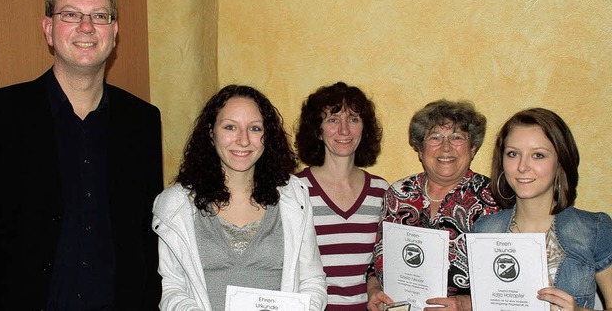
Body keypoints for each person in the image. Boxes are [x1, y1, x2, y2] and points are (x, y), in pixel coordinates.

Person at [0, 0, 163, 310]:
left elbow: (145, 240)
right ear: (48, 29)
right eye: (71, 14)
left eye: (100, 16)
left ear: (114, 31)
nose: (87, 27)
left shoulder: (143, 121)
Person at [152, 85, 327, 311]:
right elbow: (173, 288)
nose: (243, 140)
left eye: (254, 128)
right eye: (230, 127)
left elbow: (312, 281)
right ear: (210, 132)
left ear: (267, 136)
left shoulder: (295, 197)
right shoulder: (175, 206)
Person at [472, 108, 612, 311]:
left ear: (561, 161)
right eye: (513, 154)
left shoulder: (595, 229)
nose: (522, 166)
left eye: (538, 155)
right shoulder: (483, 231)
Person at [367, 99, 500, 311]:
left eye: (457, 137)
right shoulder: (399, 194)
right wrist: (374, 291)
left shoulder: (494, 199)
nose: (446, 147)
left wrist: (464, 304)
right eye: (435, 137)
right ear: (420, 150)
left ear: (473, 148)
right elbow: (376, 263)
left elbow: (509, 284)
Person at [294, 82, 389, 310]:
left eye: (354, 119)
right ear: (318, 130)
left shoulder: (381, 190)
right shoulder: (295, 190)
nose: (344, 130)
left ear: (364, 129)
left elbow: (383, 264)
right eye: (333, 120)